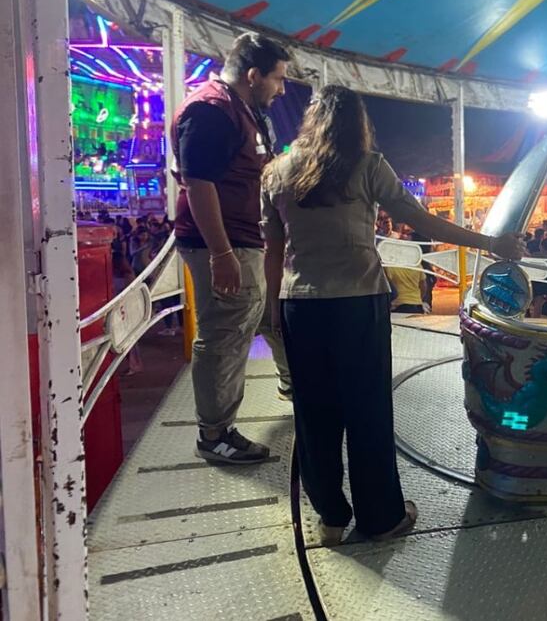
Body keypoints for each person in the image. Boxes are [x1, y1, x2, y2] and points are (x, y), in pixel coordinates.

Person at [261, 85, 523, 545]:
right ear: (356, 124)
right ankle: (380, 517)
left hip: (299, 304)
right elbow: (421, 222)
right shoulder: (367, 166)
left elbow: (274, 248)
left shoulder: (276, 172)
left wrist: (271, 308)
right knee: (367, 411)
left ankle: (329, 518)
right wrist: (489, 243)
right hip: (357, 302)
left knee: (313, 414)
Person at [172, 32, 293, 463]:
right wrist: (221, 254)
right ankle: (215, 434)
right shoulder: (211, 110)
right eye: (277, 80)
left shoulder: (242, 110)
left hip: (244, 238)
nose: (281, 90)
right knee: (224, 335)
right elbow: (198, 183)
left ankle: (291, 384)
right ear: (253, 74)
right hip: (224, 244)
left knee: (262, 314)